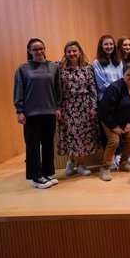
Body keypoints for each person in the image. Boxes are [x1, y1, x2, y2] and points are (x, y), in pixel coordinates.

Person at [14, 38, 62, 189]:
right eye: (35, 49)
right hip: (31, 113)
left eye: (41, 48)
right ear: (29, 51)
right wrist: (19, 111)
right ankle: (36, 177)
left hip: (49, 111)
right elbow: (18, 90)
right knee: (33, 145)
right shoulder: (23, 69)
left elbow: (57, 89)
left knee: (48, 143)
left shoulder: (53, 67)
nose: (39, 51)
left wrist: (58, 107)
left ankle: (48, 172)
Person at [57, 40, 100, 178]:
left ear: (80, 52)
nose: (72, 53)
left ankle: (81, 164)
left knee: (84, 136)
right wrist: (57, 107)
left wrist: (94, 107)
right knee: (70, 135)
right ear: (65, 53)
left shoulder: (88, 68)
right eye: (69, 51)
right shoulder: (60, 68)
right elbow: (56, 88)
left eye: (74, 51)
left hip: (85, 106)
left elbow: (93, 89)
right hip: (67, 106)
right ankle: (70, 162)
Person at [98, 64, 130, 181]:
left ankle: (123, 163)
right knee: (114, 140)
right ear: (123, 75)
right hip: (108, 119)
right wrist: (114, 127)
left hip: (125, 120)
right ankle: (105, 167)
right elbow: (105, 109)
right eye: (128, 74)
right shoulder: (115, 87)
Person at [93, 34, 123, 100]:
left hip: (119, 97)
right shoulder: (96, 63)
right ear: (101, 46)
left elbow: (122, 80)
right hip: (105, 98)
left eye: (111, 44)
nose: (109, 46)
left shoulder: (119, 61)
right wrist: (116, 91)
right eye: (106, 44)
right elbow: (101, 85)